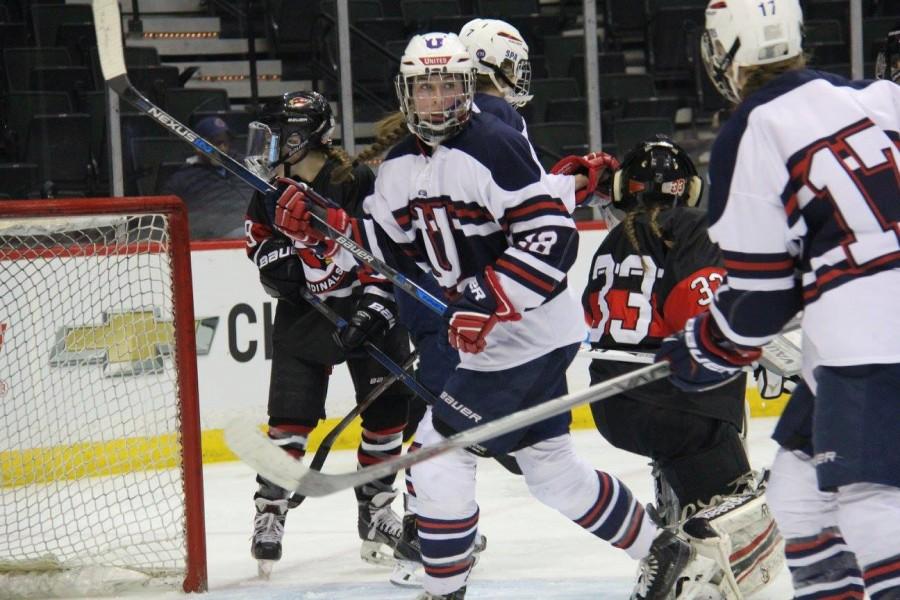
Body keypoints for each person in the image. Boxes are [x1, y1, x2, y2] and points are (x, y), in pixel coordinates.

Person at [273, 32, 693, 600]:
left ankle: (444, 589)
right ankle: (666, 551)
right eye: (426, 86)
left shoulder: (492, 144)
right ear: (407, 93)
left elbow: (551, 236)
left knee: (437, 455)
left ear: (468, 87)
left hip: (527, 331)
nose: (437, 98)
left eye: (449, 84)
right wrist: (325, 228)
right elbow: (387, 251)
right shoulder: (397, 167)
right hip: (499, 340)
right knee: (552, 472)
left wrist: (488, 298)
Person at [657, 0, 900, 598]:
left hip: (869, 332)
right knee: (799, 489)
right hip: (852, 335)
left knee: (868, 498)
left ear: (725, 52)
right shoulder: (875, 96)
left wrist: (704, 349)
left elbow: (763, 295)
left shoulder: (753, 128)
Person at [582, 136, 784, 598]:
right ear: (687, 189)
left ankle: (678, 529)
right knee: (747, 524)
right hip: (677, 404)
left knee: (693, 479)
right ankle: (679, 554)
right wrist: (766, 348)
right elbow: (705, 319)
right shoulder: (695, 226)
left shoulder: (611, 240)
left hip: (612, 405)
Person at [242, 91, 415, 578]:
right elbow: (257, 235)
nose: (270, 141)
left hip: (365, 303)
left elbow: (380, 242)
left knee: (386, 412)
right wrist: (272, 261)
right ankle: (269, 512)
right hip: (307, 310)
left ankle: (377, 509)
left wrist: (379, 300)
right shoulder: (269, 185)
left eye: (279, 132)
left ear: (302, 137)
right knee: (289, 418)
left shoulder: (353, 180)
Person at [160, 116, 254, 239]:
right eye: (217, 143)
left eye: (226, 142)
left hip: (256, 228)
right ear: (198, 146)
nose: (223, 148)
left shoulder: (244, 165)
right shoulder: (183, 179)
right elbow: (167, 220)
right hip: (219, 240)